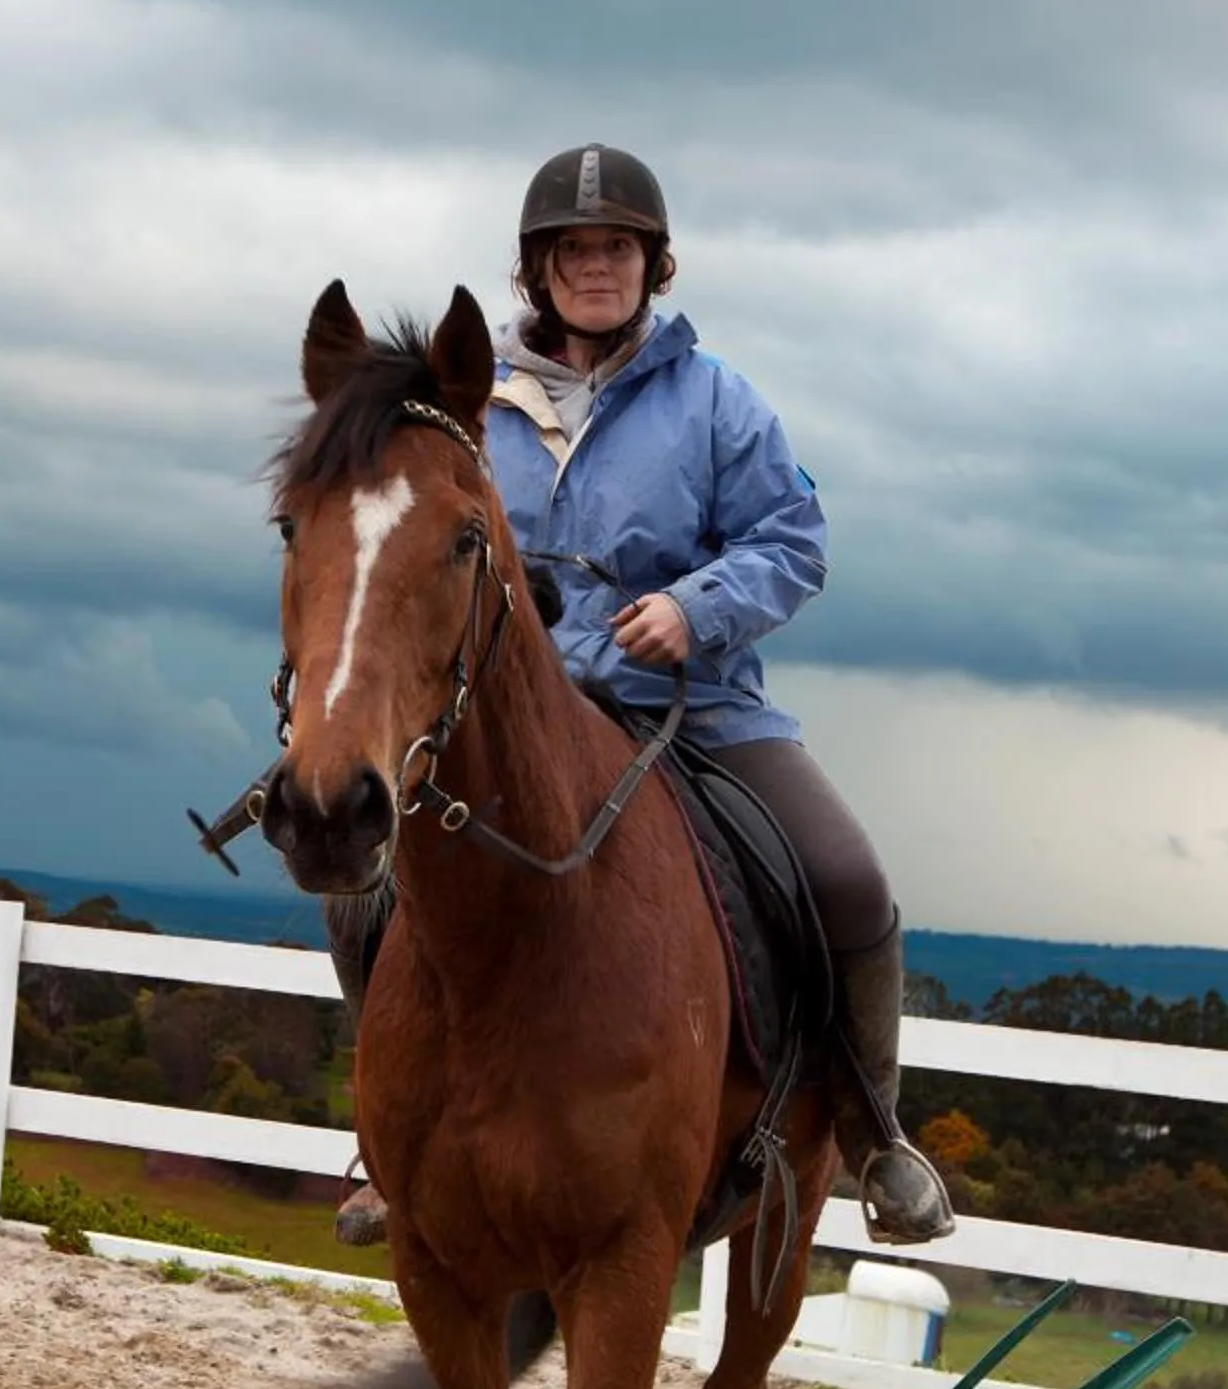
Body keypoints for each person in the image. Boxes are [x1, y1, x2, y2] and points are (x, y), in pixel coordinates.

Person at [330, 142, 954, 1250]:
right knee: (361, 883)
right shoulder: (474, 409)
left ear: (652, 264)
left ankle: (874, 1133)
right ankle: (392, 1129)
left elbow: (793, 541)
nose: (596, 266)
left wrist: (693, 609)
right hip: (511, 721)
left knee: (848, 879)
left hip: (691, 707)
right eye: (573, 249)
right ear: (539, 269)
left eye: (617, 247)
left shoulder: (716, 401)